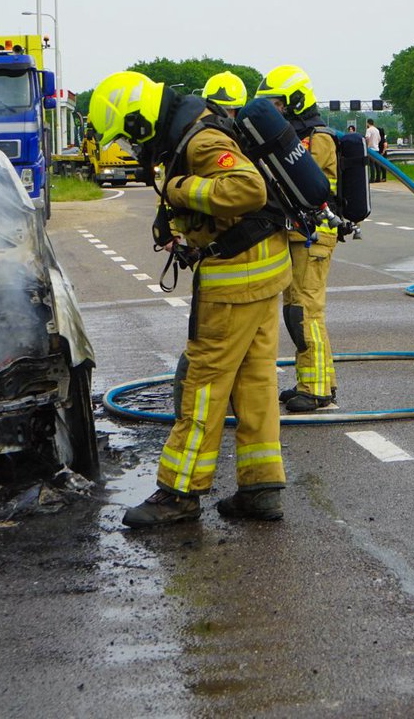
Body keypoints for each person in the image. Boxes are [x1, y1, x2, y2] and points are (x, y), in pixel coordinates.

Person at [88, 71, 292, 526]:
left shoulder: (198, 141)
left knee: (203, 384)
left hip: (237, 279)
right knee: (254, 384)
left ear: (141, 120)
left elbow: (247, 189)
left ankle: (179, 493)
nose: (132, 147)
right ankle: (261, 489)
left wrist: (179, 192)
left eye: (128, 135)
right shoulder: (197, 124)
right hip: (266, 269)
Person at [258, 65, 341, 412]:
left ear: (294, 101)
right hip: (297, 234)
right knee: (296, 309)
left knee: (306, 311)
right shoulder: (291, 137)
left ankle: (317, 388)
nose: (273, 111)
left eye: (276, 104)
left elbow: (302, 182)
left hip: (314, 235)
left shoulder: (316, 139)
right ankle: (316, 380)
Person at [364, 118, 383, 183]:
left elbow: (367, 138)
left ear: (368, 123)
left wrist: (367, 145)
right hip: (376, 149)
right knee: (377, 164)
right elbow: (379, 139)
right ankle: (378, 178)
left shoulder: (369, 130)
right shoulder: (377, 130)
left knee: (371, 164)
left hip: (371, 149)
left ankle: (372, 179)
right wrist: (376, 143)